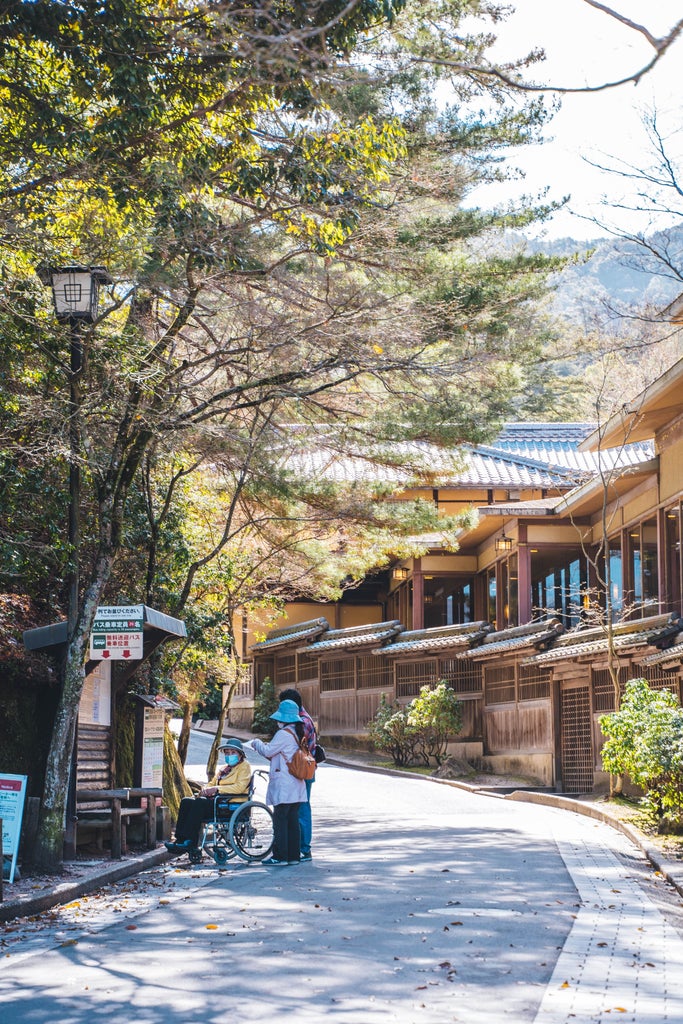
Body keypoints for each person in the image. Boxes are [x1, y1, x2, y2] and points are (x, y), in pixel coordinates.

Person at [165, 737, 251, 855]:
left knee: (200, 803)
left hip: (230, 804)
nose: (229, 755)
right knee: (186, 801)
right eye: (227, 752)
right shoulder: (224, 769)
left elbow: (240, 787)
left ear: (240, 754)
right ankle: (181, 840)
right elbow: (212, 783)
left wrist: (217, 789)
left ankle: (190, 841)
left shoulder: (244, 767)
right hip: (218, 801)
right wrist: (205, 790)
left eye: (233, 752)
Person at [250, 699, 306, 865]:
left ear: (283, 719)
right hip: (296, 784)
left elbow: (268, 750)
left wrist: (256, 743)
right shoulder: (297, 733)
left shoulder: (283, 734)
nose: (277, 722)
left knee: (280, 820)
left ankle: (280, 856)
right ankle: (293, 856)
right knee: (293, 821)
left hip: (284, 784)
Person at [278, 687, 317, 862]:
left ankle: (303, 847)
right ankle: (301, 847)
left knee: (301, 808)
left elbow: (295, 747)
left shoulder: (302, 722)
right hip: (305, 768)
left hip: (300, 769)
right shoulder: (304, 719)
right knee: (300, 807)